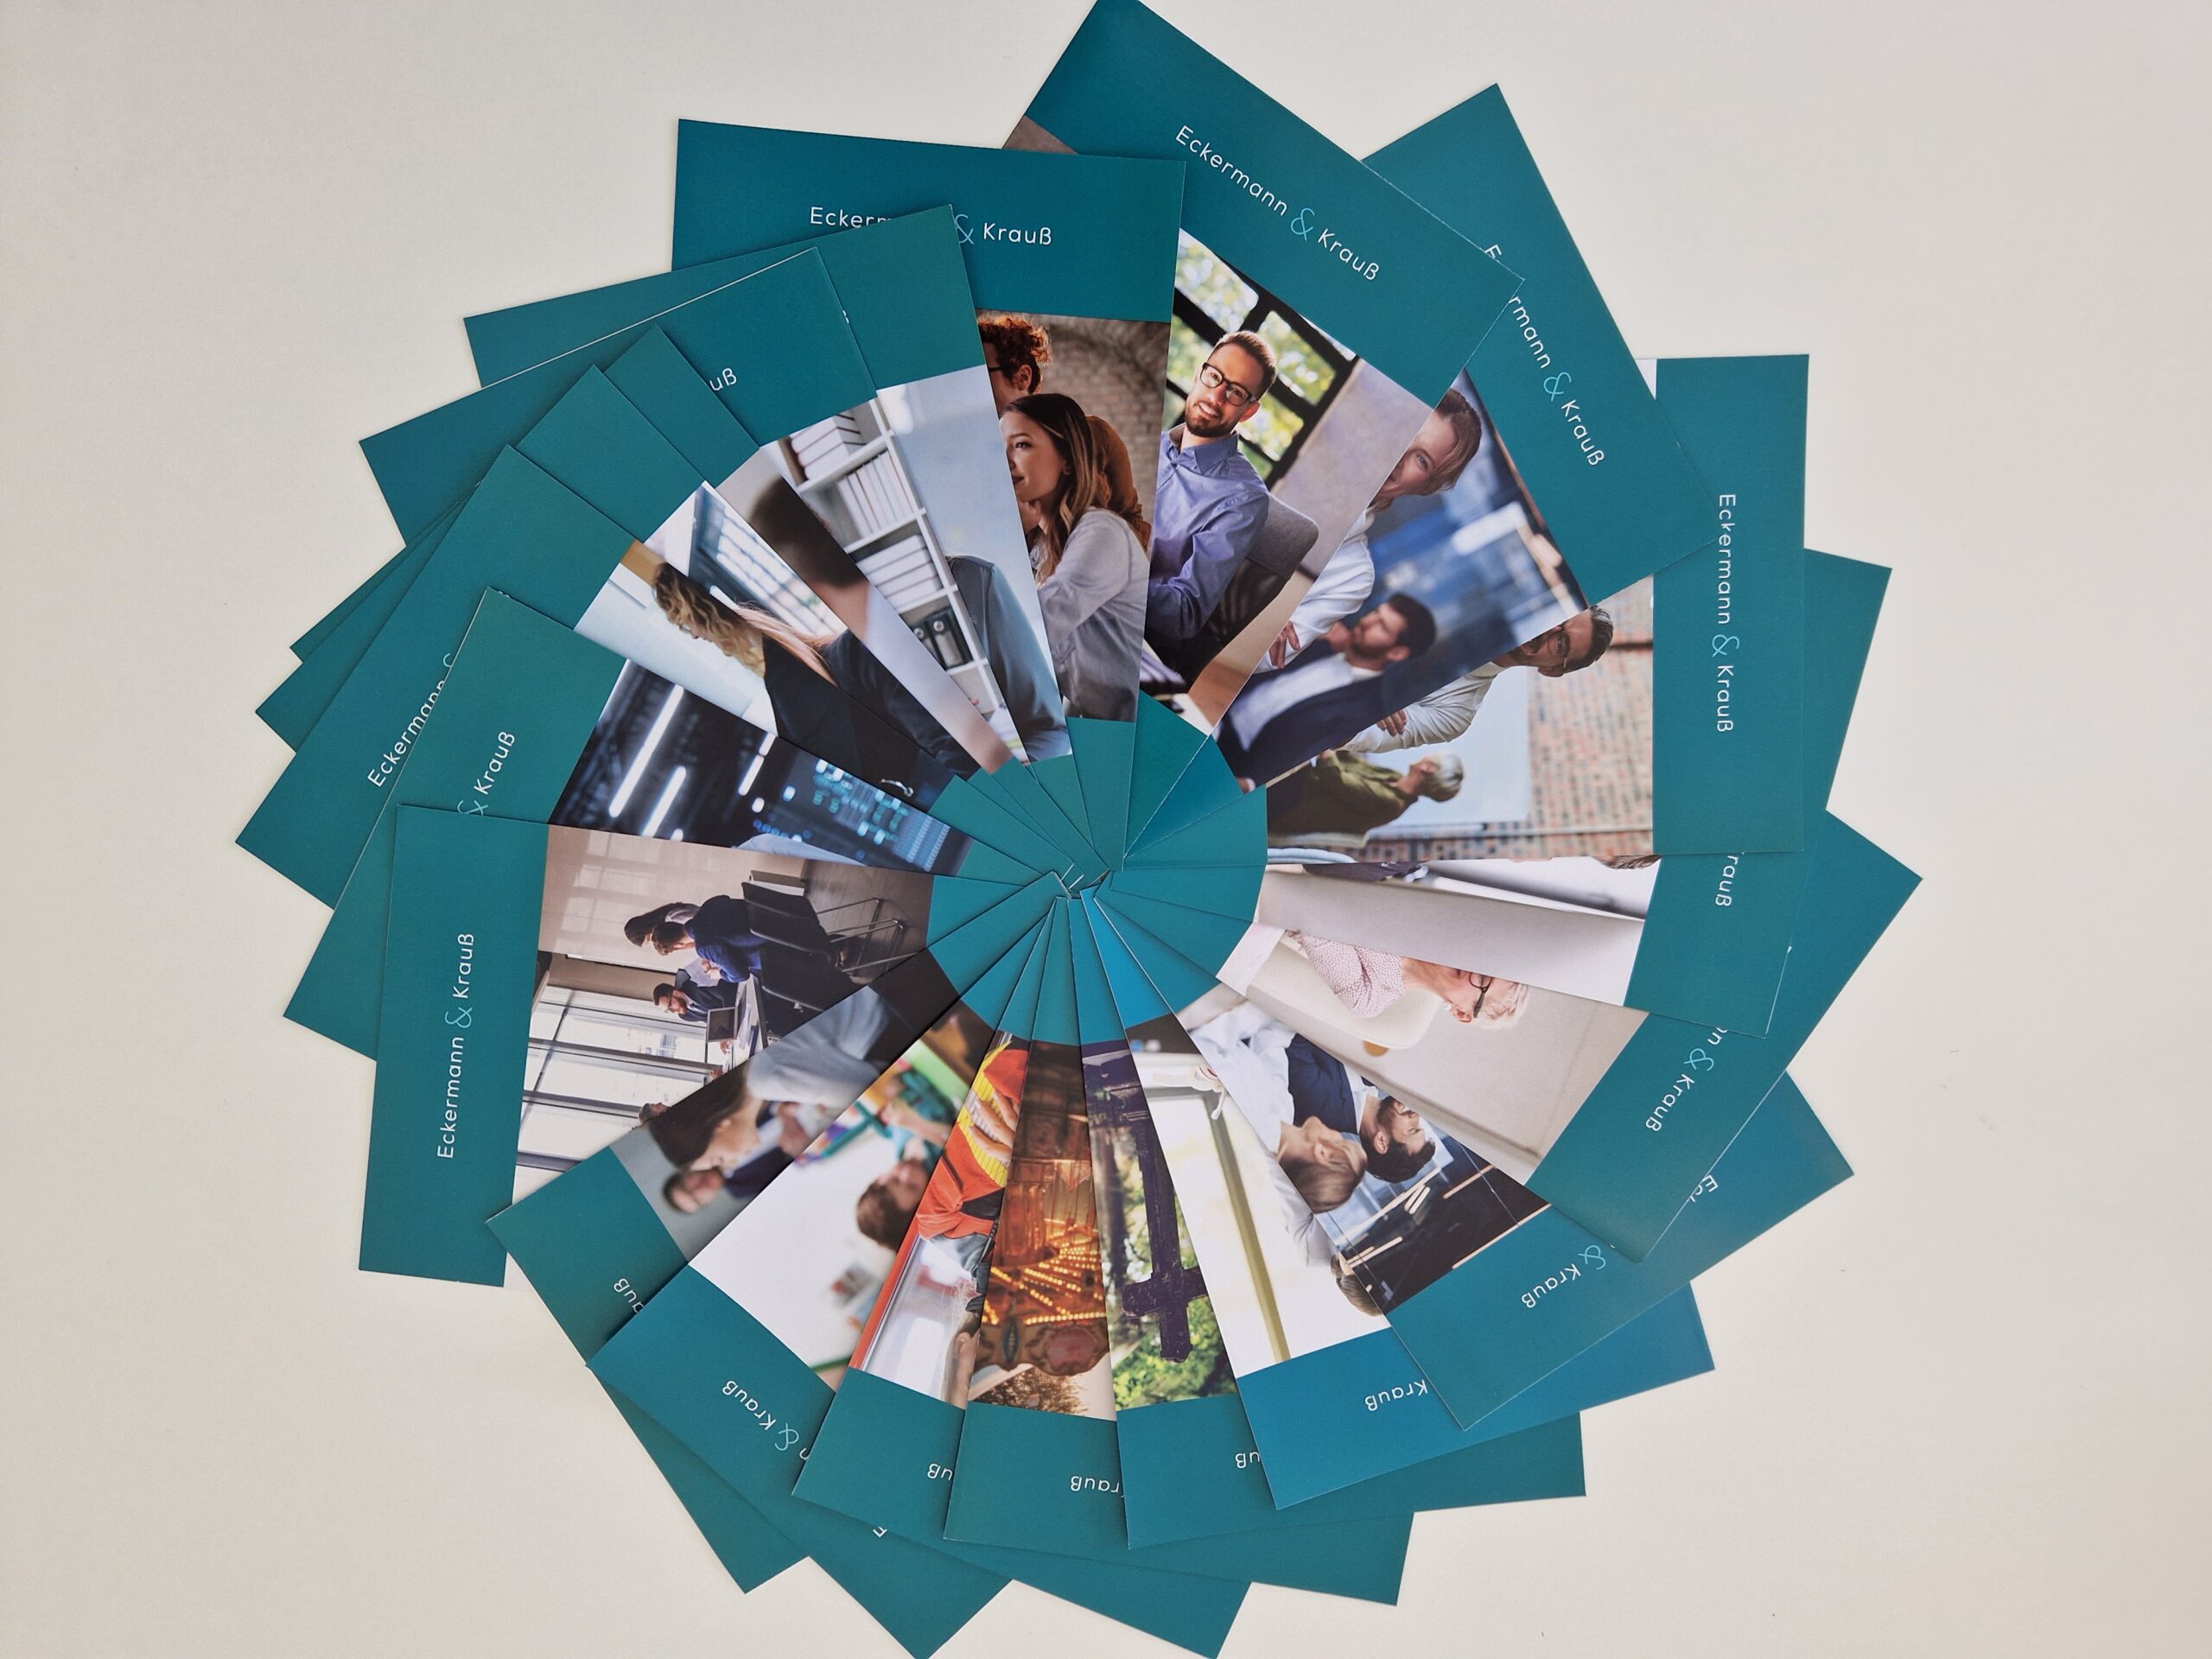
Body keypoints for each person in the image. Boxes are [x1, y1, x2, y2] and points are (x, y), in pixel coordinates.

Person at [1266, 390, 1484, 664]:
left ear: (1426, 486)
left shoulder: (1353, 576)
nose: (1401, 453)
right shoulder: (1295, 449)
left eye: (1421, 460)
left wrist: (1261, 626)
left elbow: (1267, 656)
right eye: (1405, 431)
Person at [1001, 391, 1148, 720]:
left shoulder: (1103, 534)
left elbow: (1039, 625)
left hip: (1139, 730)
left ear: (1067, 459)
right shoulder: (1043, 550)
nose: (1004, 460)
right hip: (1097, 722)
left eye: (1021, 445)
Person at [1216, 594, 1439, 784]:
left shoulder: (1367, 712)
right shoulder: (1321, 642)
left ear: (1396, 653)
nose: (1367, 621)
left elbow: (1303, 769)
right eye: (1375, 613)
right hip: (1214, 713)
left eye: (1382, 626)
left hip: (1232, 767)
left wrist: (1248, 785)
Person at [1337, 606, 1618, 754]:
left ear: (1552, 670)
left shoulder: (1455, 714)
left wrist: (1363, 707)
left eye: (1560, 643)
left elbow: (1356, 736)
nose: (1548, 630)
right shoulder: (1459, 601)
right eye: (1559, 616)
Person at [1147, 333, 1276, 645]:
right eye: (1214, 377)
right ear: (1198, 375)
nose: (1216, 397)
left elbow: (1185, 612)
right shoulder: (1151, 442)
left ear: (1249, 411)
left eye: (1236, 392)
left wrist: (1111, 582)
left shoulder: (1244, 498)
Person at [977, 313, 1145, 530]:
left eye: (981, 374)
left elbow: (1132, 519)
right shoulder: (979, 455)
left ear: (1022, 378)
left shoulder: (1094, 434)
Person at [1283, 1033, 1437, 1183]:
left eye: (1412, 1129)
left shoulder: (1321, 1106)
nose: (1415, 1116)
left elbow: (1292, 1035)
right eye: (1418, 1126)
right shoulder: (1379, 1077)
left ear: (1381, 1141)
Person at [1264, 750, 1464, 844]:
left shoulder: (1391, 804)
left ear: (1428, 768)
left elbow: (1334, 780)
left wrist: (1326, 747)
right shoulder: (1394, 777)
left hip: (1292, 804)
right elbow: (1349, 760)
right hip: (1302, 785)